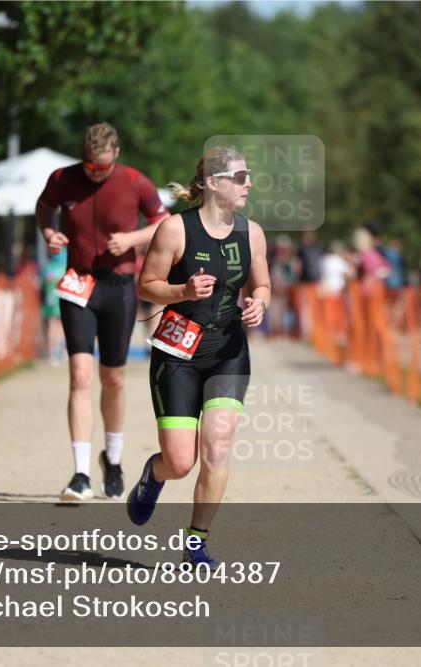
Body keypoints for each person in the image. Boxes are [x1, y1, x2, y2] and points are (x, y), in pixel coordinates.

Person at [128, 147, 271, 569]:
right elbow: (146, 285)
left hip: (228, 352)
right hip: (177, 354)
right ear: (213, 182)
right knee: (180, 461)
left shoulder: (253, 234)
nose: (248, 183)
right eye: (240, 176)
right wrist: (182, 293)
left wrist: (260, 304)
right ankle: (151, 477)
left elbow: (262, 285)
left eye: (249, 175)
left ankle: (196, 543)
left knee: (218, 449)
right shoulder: (174, 230)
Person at [35, 122, 170, 501]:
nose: (97, 173)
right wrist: (49, 233)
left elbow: (162, 222)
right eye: (91, 166)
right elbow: (44, 208)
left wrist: (132, 239)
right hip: (78, 284)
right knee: (80, 376)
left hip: (118, 287)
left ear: (118, 155)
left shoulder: (134, 182)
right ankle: (79, 474)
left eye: (104, 167)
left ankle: (113, 459)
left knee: (114, 378)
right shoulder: (62, 179)